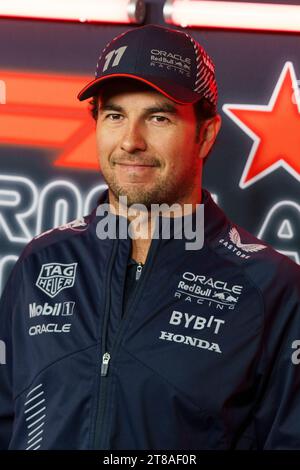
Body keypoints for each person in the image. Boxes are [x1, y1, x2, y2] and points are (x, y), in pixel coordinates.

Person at [0, 24, 299, 451]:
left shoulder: (272, 286)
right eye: (115, 115)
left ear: (206, 134)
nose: (131, 141)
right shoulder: (41, 261)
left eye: (159, 117)